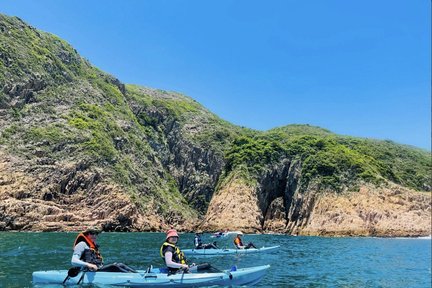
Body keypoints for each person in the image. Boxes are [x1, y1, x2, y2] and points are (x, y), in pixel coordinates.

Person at [71, 227, 136, 273]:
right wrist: (89, 265)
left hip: (98, 267)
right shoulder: (81, 244)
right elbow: (73, 261)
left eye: (96, 233)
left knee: (120, 264)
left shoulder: (93, 245)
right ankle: (133, 278)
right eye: (92, 233)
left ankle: (136, 274)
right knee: (114, 266)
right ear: (87, 234)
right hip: (89, 270)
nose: (94, 235)